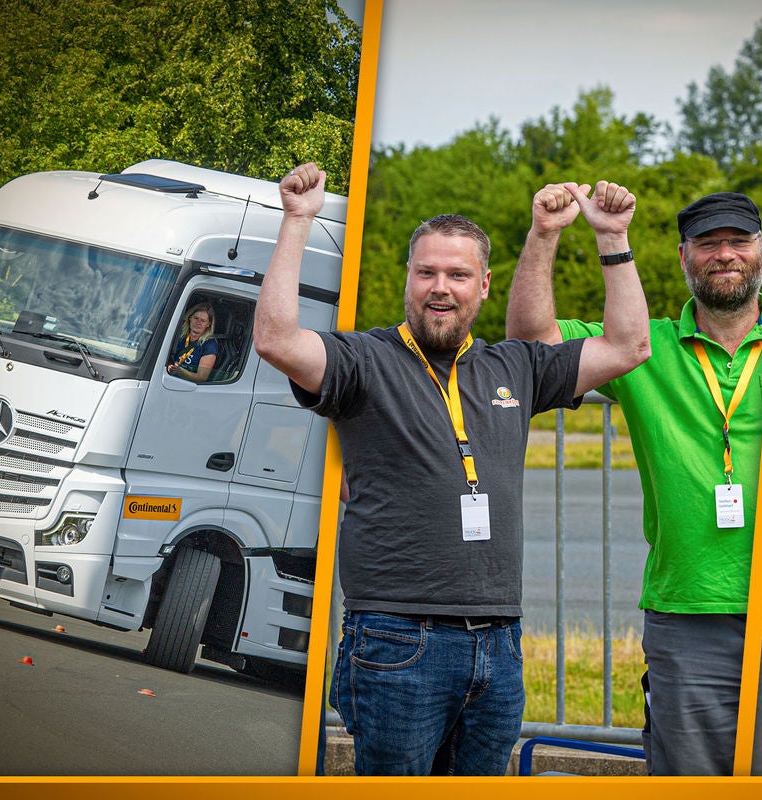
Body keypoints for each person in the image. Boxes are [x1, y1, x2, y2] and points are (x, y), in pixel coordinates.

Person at [253, 163, 650, 776]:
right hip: (396, 639)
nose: (441, 287)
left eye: (458, 275)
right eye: (427, 272)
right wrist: (297, 220)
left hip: (498, 643)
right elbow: (278, 340)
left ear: (484, 285)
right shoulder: (363, 361)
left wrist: (611, 237)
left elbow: (628, 346)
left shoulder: (513, 367)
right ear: (407, 279)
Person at [507, 190, 762, 776]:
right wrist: (548, 233)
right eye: (708, 244)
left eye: (736, 242)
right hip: (690, 613)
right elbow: (533, 345)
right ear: (683, 257)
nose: (723, 255)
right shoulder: (641, 346)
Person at [166, 302, 218, 382]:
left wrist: (180, 371)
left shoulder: (210, 345)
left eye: (203, 321)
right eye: (196, 318)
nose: (198, 323)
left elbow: (202, 377)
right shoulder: (179, 336)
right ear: (190, 318)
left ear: (208, 324)